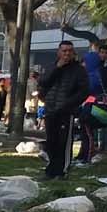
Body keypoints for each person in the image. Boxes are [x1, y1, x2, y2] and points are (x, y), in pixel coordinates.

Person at [35, 40, 89, 179]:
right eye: (64, 51)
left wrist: (69, 104)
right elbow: (43, 82)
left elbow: (84, 91)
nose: (67, 54)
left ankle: (62, 171)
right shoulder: (52, 67)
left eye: (69, 51)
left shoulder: (78, 70)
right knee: (51, 141)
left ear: (73, 53)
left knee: (63, 142)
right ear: (59, 52)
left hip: (66, 111)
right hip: (50, 109)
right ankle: (51, 170)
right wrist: (57, 68)